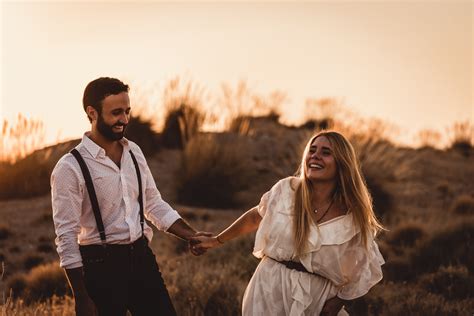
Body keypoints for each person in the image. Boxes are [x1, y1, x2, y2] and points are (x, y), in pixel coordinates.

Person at [51, 77, 209, 316]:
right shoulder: (69, 168)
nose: (124, 119)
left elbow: (153, 203)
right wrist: (81, 297)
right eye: (116, 113)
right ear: (92, 113)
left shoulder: (133, 151)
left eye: (127, 111)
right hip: (99, 268)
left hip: (141, 258)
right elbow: (66, 236)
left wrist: (191, 234)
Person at [191, 131, 385, 316]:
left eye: (326, 153)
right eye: (312, 150)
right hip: (269, 288)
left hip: (316, 299)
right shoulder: (287, 190)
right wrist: (216, 240)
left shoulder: (352, 216)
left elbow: (364, 264)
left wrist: (340, 301)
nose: (315, 156)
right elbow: (255, 217)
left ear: (342, 163)